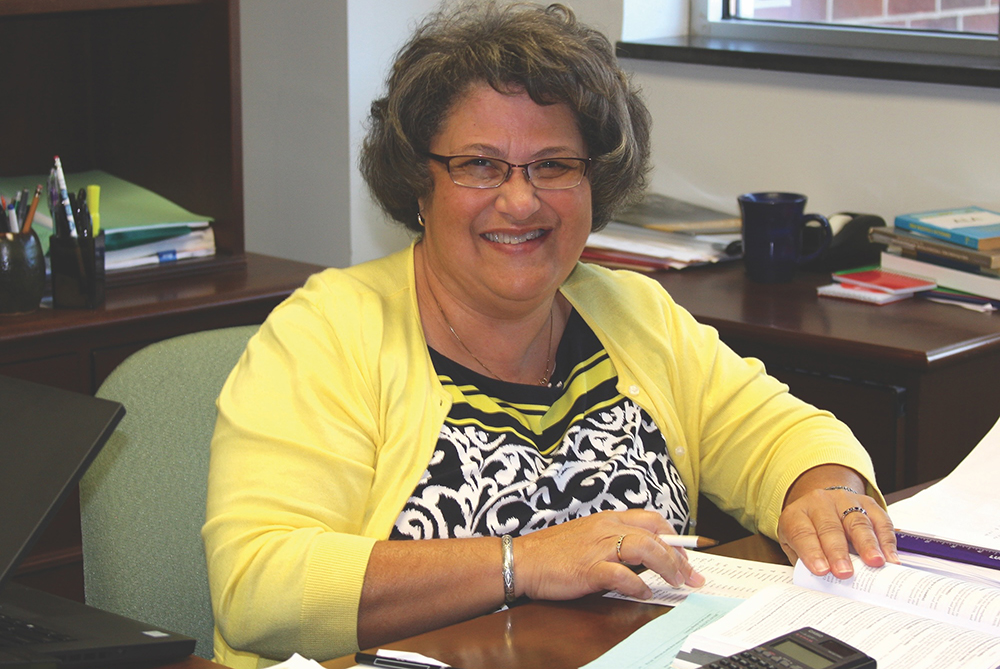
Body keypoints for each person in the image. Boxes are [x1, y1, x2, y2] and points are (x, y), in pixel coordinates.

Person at [202, 2, 898, 666]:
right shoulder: (325, 334)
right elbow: (259, 587)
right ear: (420, 184)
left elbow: (786, 434)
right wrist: (522, 561)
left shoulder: (630, 310)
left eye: (554, 165)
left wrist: (823, 491)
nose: (520, 199)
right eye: (480, 165)